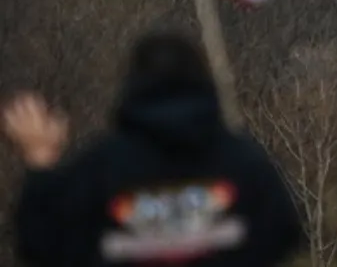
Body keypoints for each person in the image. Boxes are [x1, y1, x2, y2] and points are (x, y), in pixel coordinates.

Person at [3, 30, 303, 266]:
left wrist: (41, 160)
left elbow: (40, 245)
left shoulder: (98, 169)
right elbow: (284, 234)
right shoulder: (244, 164)